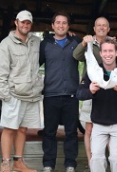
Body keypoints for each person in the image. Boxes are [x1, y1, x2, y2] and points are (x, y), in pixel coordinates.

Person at [72, 17, 117, 170]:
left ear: (116, 53)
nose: (108, 54)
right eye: (105, 51)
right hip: (99, 121)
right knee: (97, 158)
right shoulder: (92, 71)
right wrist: (90, 91)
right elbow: (79, 93)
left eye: (110, 51)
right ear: (100, 54)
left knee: (116, 158)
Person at [0, 10, 43, 172]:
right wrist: (5, 96)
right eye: (22, 22)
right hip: (13, 95)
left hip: (31, 94)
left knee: (23, 129)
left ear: (31, 24)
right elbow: (0, 73)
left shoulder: (36, 42)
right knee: (9, 129)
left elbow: (52, 45)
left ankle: (18, 162)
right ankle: (5, 163)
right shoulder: (6, 44)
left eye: (28, 22)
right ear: (16, 22)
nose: (25, 25)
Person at [40, 12, 81, 172]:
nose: (61, 25)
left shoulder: (76, 42)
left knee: (71, 132)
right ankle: (48, 164)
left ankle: (70, 163)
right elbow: (33, 64)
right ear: (53, 25)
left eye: (64, 23)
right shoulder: (45, 45)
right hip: (51, 94)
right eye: (58, 22)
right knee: (49, 132)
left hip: (71, 94)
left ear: (68, 26)